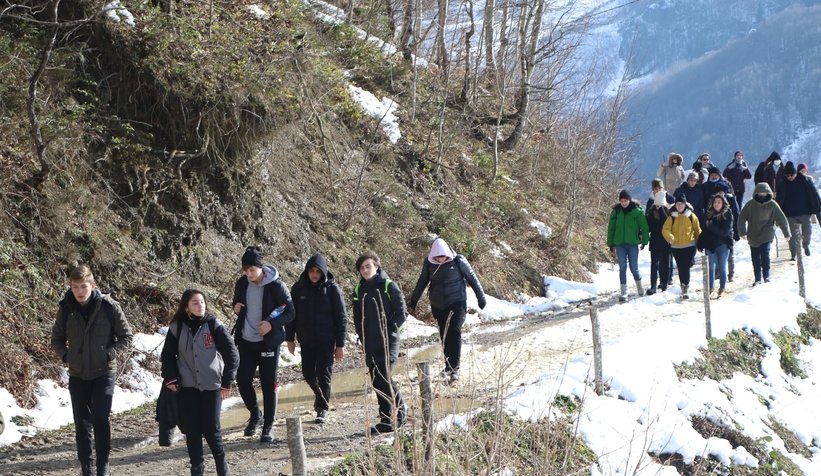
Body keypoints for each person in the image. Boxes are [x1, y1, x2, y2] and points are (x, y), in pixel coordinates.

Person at [51, 265, 133, 476]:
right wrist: (67, 356)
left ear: (93, 285)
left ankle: (103, 465)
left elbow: (126, 337)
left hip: (103, 372)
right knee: (81, 423)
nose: (79, 291)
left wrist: (109, 353)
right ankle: (86, 466)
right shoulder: (66, 308)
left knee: (100, 418)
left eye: (83, 286)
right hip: (77, 374)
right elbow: (57, 339)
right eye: (75, 286)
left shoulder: (109, 306)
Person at [161, 289, 239, 476]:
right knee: (192, 430)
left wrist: (227, 381)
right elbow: (167, 356)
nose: (200, 305)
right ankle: (197, 467)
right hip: (187, 387)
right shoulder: (177, 327)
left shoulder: (214, 325)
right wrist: (170, 377)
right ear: (186, 306)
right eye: (195, 302)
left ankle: (221, 464)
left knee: (212, 429)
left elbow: (232, 354)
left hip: (212, 386)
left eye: (202, 302)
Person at [232, 246, 295, 443]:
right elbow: (237, 301)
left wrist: (271, 324)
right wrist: (235, 307)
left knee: (268, 384)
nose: (248, 274)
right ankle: (255, 414)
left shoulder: (276, 285)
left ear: (260, 268)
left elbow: (291, 311)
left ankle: (268, 426)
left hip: (268, 342)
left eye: (251, 270)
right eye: (245, 270)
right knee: (242, 381)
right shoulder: (242, 283)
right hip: (246, 341)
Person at [408, 237, 487, 383]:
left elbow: (472, 279)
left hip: (457, 302)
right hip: (438, 304)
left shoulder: (459, 261)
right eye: (437, 258)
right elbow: (422, 281)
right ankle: (448, 366)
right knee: (444, 334)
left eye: (443, 257)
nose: (440, 260)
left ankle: (455, 369)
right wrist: (413, 301)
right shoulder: (428, 263)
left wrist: (481, 298)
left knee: (454, 331)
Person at [285, 254, 347, 424]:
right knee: (307, 373)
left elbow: (341, 317)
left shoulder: (332, 289)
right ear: (307, 271)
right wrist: (289, 338)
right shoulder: (298, 288)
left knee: (323, 374)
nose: (314, 274)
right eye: (311, 271)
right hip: (306, 340)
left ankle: (322, 408)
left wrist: (340, 344)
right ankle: (320, 396)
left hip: (326, 340)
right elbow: (291, 315)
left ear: (323, 273)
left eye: (318, 272)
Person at [351, 251, 408, 435]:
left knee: (384, 376)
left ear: (376, 266)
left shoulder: (388, 286)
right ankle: (385, 420)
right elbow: (357, 316)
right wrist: (361, 334)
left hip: (388, 340)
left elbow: (402, 312)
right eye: (362, 268)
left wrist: (390, 327)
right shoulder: (359, 290)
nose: (365, 270)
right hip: (370, 341)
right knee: (376, 380)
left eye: (368, 266)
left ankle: (399, 413)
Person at [738, 183, 790, 285]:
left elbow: (781, 219)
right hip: (753, 234)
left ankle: (767, 276)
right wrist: (742, 232)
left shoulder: (773, 205)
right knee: (755, 257)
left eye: (764, 193)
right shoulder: (750, 205)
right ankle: (757, 278)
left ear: (768, 193)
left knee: (765, 253)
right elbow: (741, 218)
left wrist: (786, 233)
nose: (762, 195)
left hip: (767, 232)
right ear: (756, 193)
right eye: (759, 193)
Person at [606, 189, 649, 302]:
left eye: (625, 200)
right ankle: (624, 292)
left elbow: (644, 227)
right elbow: (611, 228)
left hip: (632, 244)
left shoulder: (637, 212)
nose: (624, 203)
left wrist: (644, 241)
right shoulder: (616, 211)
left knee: (634, 268)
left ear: (629, 200)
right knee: (622, 268)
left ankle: (640, 288)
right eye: (622, 201)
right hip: (620, 243)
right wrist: (610, 243)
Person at [775, 161, 821, 259]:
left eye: (792, 175)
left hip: (804, 212)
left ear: (796, 173)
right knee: (791, 236)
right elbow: (778, 199)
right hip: (789, 214)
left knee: (807, 232)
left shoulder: (804, 180)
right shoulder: (782, 183)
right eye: (787, 175)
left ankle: (806, 245)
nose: (790, 177)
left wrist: (817, 208)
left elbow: (814, 194)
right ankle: (793, 253)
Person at [662, 196, 701, 299]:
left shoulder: (691, 216)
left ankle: (685, 288)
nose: (679, 206)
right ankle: (683, 286)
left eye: (681, 204)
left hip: (689, 245)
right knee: (680, 267)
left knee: (685, 266)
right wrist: (670, 237)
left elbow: (697, 230)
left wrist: (700, 243)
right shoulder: (672, 217)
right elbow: (665, 229)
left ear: (685, 204)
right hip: (676, 247)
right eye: (677, 204)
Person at [697, 195, 734, 297]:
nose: (716, 204)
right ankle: (710, 288)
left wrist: (711, 226)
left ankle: (722, 287)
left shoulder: (727, 214)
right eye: (715, 202)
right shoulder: (708, 214)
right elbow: (704, 230)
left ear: (723, 203)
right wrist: (700, 242)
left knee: (722, 268)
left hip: (723, 245)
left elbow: (725, 232)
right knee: (711, 268)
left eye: (719, 202)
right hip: (710, 245)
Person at [644, 181, 673, 295]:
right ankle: (653, 286)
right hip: (655, 239)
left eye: (659, 189)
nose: (657, 191)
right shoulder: (651, 207)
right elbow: (648, 223)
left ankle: (664, 283)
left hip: (666, 239)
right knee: (654, 263)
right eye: (655, 189)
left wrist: (661, 208)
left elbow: (668, 221)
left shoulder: (668, 203)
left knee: (665, 263)